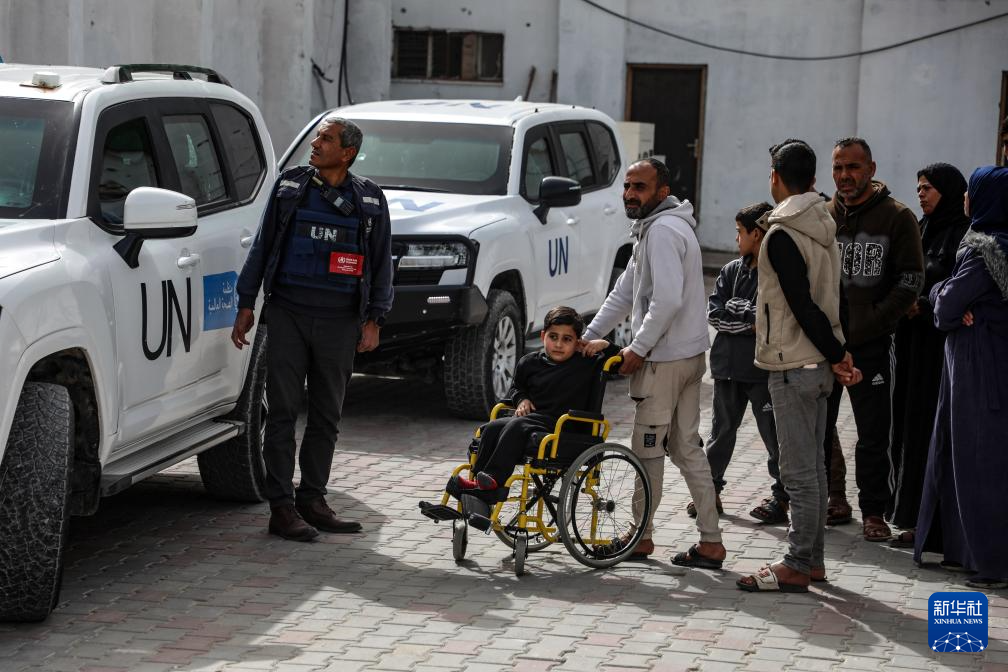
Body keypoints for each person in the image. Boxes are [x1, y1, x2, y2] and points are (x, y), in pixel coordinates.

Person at [233, 116, 394, 541]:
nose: (316, 143)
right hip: (288, 315)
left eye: (326, 138)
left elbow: (381, 261)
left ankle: (313, 500)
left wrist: (375, 319)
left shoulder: (369, 199)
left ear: (348, 153)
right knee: (282, 413)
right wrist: (246, 303)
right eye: (317, 136)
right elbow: (263, 245)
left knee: (326, 416)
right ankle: (281, 508)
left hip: (340, 322)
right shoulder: (290, 187)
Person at [582, 158, 726, 569]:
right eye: (627, 186)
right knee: (686, 449)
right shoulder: (656, 228)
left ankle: (640, 537)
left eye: (640, 187)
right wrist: (589, 337)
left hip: (664, 363)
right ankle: (711, 542)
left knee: (648, 451)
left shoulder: (662, 231)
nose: (630, 194)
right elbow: (624, 293)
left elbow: (666, 301)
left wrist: (637, 349)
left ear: (662, 192)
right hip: (688, 356)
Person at [737, 139, 861, 593]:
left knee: (798, 473)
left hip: (794, 364)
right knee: (814, 468)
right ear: (813, 180)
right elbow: (833, 300)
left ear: (775, 176)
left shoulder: (782, 233)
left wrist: (837, 354)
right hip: (819, 363)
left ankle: (796, 562)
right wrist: (838, 353)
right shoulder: (823, 223)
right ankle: (813, 561)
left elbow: (803, 305)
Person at [824, 137, 924, 542]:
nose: (845, 175)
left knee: (873, 433)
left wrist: (872, 325)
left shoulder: (897, 217)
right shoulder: (823, 216)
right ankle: (832, 498)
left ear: (871, 169)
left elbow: (911, 280)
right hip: (826, 345)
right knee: (820, 429)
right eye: (838, 167)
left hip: (874, 346)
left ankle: (874, 510)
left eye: (853, 167)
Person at [914, 165, 1008, 590]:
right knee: (966, 458)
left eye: (973, 191)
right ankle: (965, 551)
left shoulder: (985, 250)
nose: (967, 198)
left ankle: (991, 562)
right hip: (984, 362)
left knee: (977, 462)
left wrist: (939, 292)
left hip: (978, 369)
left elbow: (945, 308)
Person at [888, 164, 970, 548]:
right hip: (910, 345)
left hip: (939, 349)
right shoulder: (920, 229)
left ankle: (932, 525)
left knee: (930, 430)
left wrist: (923, 304)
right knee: (907, 427)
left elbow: (957, 287)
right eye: (918, 188)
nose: (921, 194)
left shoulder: (963, 236)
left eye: (928, 188)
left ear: (948, 192)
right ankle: (907, 515)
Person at [693, 201, 789, 525]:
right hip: (726, 369)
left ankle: (781, 498)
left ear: (757, 234)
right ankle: (710, 493)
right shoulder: (730, 271)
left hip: (761, 371)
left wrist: (742, 312)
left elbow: (767, 320)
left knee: (774, 437)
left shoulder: (775, 274)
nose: (737, 239)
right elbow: (715, 315)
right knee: (721, 433)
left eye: (740, 232)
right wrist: (748, 321)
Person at [453, 306, 617, 492]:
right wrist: (521, 399)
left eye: (567, 339)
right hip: (534, 420)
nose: (558, 344)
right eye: (553, 337)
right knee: (491, 428)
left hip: (566, 424)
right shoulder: (530, 362)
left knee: (517, 425)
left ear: (578, 342)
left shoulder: (587, 363)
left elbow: (620, 362)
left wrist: (605, 345)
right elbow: (516, 388)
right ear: (543, 336)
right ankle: (477, 483)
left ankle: (493, 481)